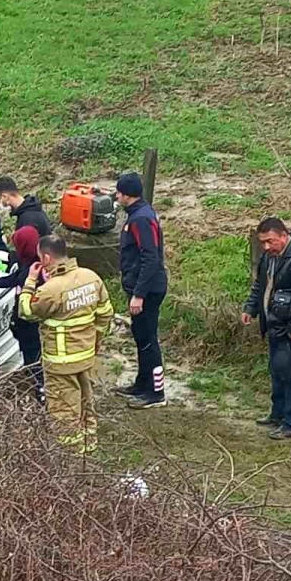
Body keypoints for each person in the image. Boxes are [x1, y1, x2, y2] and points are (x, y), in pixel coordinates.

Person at [20, 234, 114, 454]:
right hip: (86, 354)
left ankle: (69, 454)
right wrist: (96, 340)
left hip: (60, 362)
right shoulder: (91, 277)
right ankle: (89, 444)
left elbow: (26, 311)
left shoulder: (51, 290)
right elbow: (105, 314)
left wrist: (31, 281)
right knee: (85, 401)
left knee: (64, 409)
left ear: (45, 259)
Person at [241, 217, 291, 440]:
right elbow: (260, 285)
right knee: (278, 372)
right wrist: (251, 308)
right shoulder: (269, 257)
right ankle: (277, 415)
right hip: (276, 325)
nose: (266, 247)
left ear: (284, 237)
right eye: (263, 242)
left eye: (270, 241)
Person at [113, 172, 169, 410]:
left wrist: (139, 294)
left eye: (118, 192)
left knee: (148, 340)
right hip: (142, 287)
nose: (115, 196)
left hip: (147, 290)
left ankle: (156, 392)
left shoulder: (140, 220)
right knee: (140, 336)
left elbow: (150, 258)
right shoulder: (140, 214)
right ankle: (142, 382)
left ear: (127, 195)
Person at [0, 225, 45, 400]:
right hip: (36, 320)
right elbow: (15, 277)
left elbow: (20, 282)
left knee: (32, 353)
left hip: (30, 321)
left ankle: (41, 387)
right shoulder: (36, 262)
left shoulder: (32, 272)